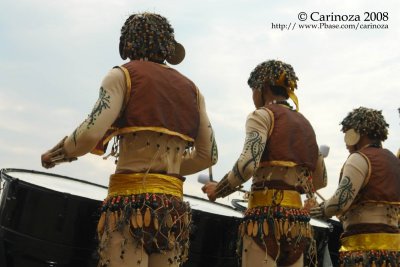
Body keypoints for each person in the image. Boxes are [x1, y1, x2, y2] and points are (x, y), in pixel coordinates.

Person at [41, 12, 218, 267]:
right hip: (171, 212)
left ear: (127, 44)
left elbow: (90, 133)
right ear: (168, 47)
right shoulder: (192, 90)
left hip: (128, 207)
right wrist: (170, 168)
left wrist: (59, 153)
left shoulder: (123, 76)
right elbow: (208, 155)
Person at [202, 60, 327, 267]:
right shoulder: (306, 124)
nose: (253, 97)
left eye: (253, 91)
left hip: (264, 220)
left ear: (263, 88)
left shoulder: (262, 116)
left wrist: (219, 189)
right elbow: (321, 180)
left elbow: (247, 165)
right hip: (297, 225)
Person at [311, 107, 400, 267]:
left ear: (357, 133)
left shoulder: (359, 158)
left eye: (347, 132)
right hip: (393, 251)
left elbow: (339, 202)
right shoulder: (394, 161)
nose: (345, 141)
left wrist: (319, 210)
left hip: (364, 249)